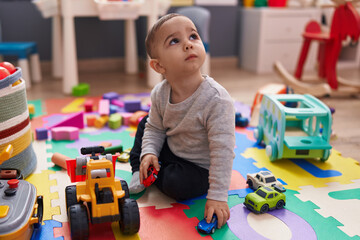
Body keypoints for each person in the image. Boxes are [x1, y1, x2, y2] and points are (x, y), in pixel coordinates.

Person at [129, 13, 235, 229]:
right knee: (145, 124)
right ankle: (140, 168)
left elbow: (222, 151)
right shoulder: (159, 93)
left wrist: (217, 196)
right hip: (172, 146)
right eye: (175, 41)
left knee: (177, 185)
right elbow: (155, 128)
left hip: (198, 167)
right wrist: (149, 152)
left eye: (193, 36)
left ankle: (155, 173)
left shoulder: (217, 99)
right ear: (159, 66)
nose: (188, 44)